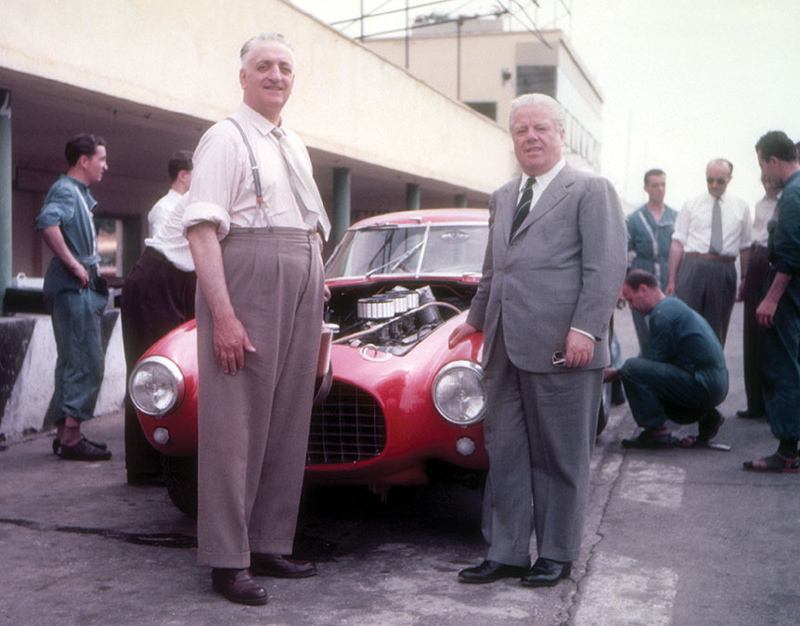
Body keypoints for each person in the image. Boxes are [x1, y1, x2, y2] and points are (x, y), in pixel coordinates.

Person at [449, 93, 626, 588]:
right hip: (505, 343)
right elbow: (494, 268)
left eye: (541, 128)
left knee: (560, 454)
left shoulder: (591, 189)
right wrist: (476, 317)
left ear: (561, 134)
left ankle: (556, 553)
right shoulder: (504, 195)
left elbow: (605, 267)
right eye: (521, 129)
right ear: (512, 138)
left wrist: (585, 329)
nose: (531, 137)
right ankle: (505, 551)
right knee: (503, 448)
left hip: (563, 345)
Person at [183, 32, 330, 605]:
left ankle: (270, 540)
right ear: (243, 77)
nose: (276, 75)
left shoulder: (292, 142)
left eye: (285, 67)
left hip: (301, 268)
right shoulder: (224, 137)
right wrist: (223, 314)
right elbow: (201, 230)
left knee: (288, 418)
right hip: (250, 273)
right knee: (235, 425)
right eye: (263, 66)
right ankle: (227, 559)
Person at [35, 133, 112, 461]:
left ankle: (66, 435)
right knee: (88, 361)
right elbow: (47, 224)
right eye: (101, 159)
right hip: (73, 287)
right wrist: (75, 265)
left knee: (71, 360)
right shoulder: (66, 190)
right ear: (84, 160)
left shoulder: (77, 192)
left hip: (74, 286)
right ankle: (71, 439)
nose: (105, 166)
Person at [120, 151, 195, 486]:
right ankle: (148, 465)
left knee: (158, 374)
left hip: (169, 280)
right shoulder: (188, 201)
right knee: (156, 375)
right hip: (159, 281)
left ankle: (152, 463)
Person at [611, 270, 728, 447]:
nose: (631, 307)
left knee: (631, 370)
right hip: (713, 382)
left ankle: (656, 432)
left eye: (630, 300)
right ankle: (706, 416)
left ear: (643, 289)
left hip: (705, 384)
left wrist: (617, 374)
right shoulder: (671, 305)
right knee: (639, 372)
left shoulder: (662, 315)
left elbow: (651, 365)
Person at [744, 131, 800, 472]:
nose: (765, 172)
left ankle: (787, 450)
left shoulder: (792, 196)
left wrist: (771, 299)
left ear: (773, 160)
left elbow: (791, 254)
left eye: (763, 165)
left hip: (787, 292)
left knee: (783, 367)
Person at [667, 159, 752, 346]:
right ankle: (683, 373)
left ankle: (711, 372)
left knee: (716, 329)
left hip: (724, 269)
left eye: (720, 181)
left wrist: (745, 278)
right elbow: (677, 243)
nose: (714, 185)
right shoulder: (691, 204)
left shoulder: (741, 207)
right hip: (693, 266)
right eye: (710, 180)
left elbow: (746, 246)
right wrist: (672, 279)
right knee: (685, 324)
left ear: (729, 179)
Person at [737, 176, 779, 419]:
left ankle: (774, 405)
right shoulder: (760, 204)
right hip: (757, 259)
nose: (766, 181)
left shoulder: (789, 200)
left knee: (773, 334)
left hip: (776, 261)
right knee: (752, 334)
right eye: (762, 176)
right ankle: (756, 403)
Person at [626, 169, 678, 355]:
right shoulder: (633, 219)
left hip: (668, 279)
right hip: (642, 279)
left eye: (663, 184)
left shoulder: (675, 217)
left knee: (668, 332)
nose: (660, 189)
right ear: (646, 188)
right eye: (655, 185)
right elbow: (626, 253)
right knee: (646, 335)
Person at [147, 150, 193, 238]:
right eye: (196, 173)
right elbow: (160, 248)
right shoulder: (163, 208)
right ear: (182, 176)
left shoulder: (192, 206)